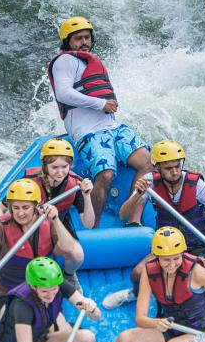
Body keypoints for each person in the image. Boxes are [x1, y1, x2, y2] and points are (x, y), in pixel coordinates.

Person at [103, 139, 205, 309]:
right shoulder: (149, 182)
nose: (175, 172)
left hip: (200, 248)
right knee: (137, 273)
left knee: (184, 275)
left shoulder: (198, 186)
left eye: (177, 166)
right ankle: (134, 294)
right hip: (167, 245)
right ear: (157, 167)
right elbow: (124, 214)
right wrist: (138, 193)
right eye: (168, 168)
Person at [46, 16, 152, 224]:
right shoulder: (65, 61)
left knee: (146, 162)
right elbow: (63, 94)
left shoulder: (91, 62)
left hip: (112, 127)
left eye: (87, 38)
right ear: (68, 42)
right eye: (78, 39)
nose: (84, 42)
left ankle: (133, 217)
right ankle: (92, 225)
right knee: (105, 175)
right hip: (88, 132)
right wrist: (100, 104)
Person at [0, 178, 78, 324]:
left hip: (41, 290)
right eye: (16, 208)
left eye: (25, 207)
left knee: (59, 327)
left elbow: (68, 248)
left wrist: (56, 220)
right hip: (7, 293)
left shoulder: (47, 221)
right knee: (22, 324)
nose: (20, 213)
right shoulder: (1, 229)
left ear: (36, 205)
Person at [0, 138, 94, 286]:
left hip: (57, 223)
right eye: (54, 167)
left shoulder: (75, 184)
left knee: (77, 255)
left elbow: (88, 224)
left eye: (65, 167)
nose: (60, 172)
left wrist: (87, 196)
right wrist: (0, 229)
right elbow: (0, 208)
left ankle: (68, 274)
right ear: (45, 166)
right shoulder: (29, 181)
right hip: (29, 223)